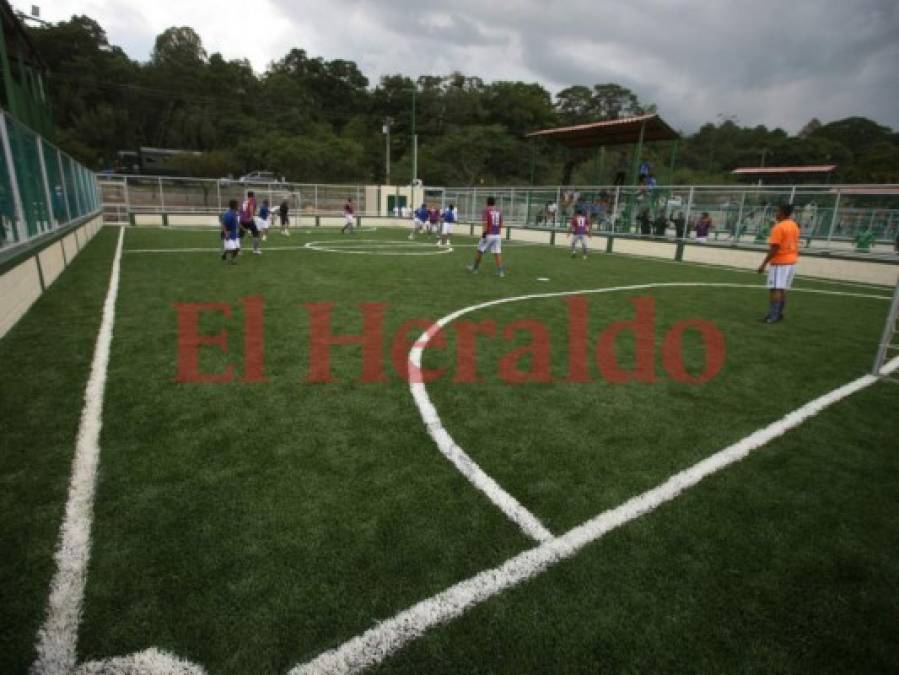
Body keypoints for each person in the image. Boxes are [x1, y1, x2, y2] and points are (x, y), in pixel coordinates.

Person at [757, 203, 800, 324]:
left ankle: (773, 315)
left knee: (775, 289)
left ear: (782, 212)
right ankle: (779, 314)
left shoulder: (778, 227)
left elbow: (774, 248)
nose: (776, 213)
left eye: (777, 211)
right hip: (792, 261)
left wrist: (763, 264)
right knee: (782, 289)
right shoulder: (794, 225)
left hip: (780, 262)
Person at [467, 196, 505, 277]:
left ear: (487, 202)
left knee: (480, 251)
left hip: (488, 234)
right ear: (494, 202)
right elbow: (501, 225)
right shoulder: (499, 211)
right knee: (497, 253)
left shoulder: (486, 210)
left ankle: (475, 268)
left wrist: (484, 233)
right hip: (497, 235)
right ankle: (500, 272)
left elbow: (485, 222)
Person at [239, 190, 261, 255]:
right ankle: (255, 250)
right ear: (253, 196)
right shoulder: (251, 201)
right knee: (256, 234)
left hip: (242, 220)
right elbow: (251, 208)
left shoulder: (244, 201)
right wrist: (251, 217)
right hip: (249, 220)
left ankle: (239, 251)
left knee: (241, 236)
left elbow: (241, 210)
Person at [220, 199, 241, 264]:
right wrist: (226, 234)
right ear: (234, 206)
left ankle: (225, 253)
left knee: (237, 249)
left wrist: (242, 228)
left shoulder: (235, 213)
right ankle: (231, 261)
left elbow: (236, 223)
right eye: (237, 205)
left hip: (234, 234)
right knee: (233, 249)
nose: (238, 206)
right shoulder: (228, 214)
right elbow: (224, 224)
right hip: (228, 234)